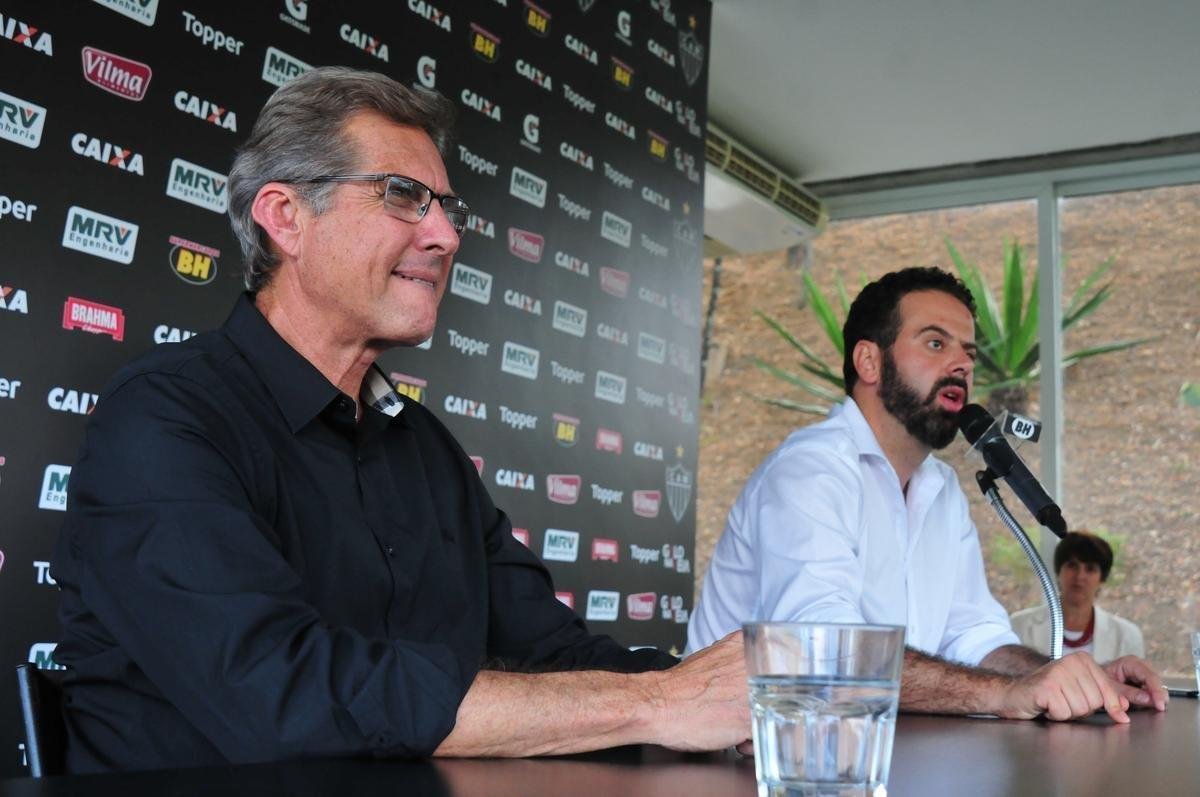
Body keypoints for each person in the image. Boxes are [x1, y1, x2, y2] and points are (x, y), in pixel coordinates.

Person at [50, 67, 749, 774]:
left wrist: (732, 699)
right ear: (286, 216)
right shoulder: (163, 417)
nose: (445, 235)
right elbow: (280, 691)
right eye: (404, 196)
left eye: (446, 206)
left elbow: (555, 653)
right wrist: (659, 702)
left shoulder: (427, 448)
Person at [688, 267, 1167, 723]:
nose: (960, 364)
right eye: (936, 343)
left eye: (968, 354)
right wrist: (1002, 694)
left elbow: (972, 635)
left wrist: (1078, 680)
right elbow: (827, 650)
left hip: (874, 749)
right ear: (869, 361)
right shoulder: (809, 471)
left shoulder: (941, 490)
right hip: (744, 763)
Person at [1010, 531, 1145, 659]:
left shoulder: (1127, 636)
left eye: (1090, 569)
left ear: (1102, 578)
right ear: (1058, 571)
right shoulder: (1018, 626)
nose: (1080, 576)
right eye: (1072, 566)